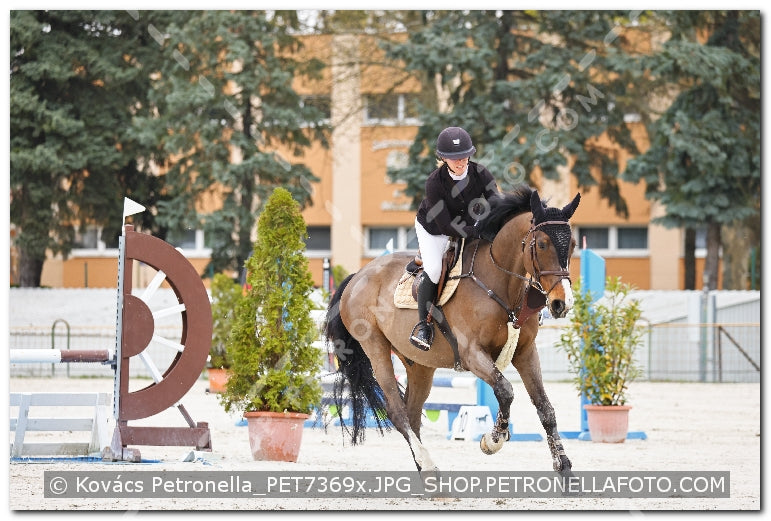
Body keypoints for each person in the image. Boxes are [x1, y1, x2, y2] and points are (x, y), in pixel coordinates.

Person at [410, 126, 499, 350]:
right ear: (443, 158)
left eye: (464, 156)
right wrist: (478, 230)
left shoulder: (481, 174)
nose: (460, 162)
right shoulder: (434, 183)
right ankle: (423, 326)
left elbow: (497, 201)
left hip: (468, 225)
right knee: (434, 270)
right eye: (454, 158)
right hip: (434, 229)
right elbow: (446, 226)